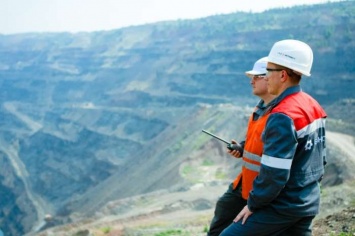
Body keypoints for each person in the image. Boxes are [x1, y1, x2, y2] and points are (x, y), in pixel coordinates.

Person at [220, 39, 327, 236]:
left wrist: (253, 205)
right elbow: (320, 159)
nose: (265, 77)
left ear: (283, 75)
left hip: (283, 205)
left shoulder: (282, 115)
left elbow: (274, 173)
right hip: (307, 199)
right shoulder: (312, 106)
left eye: (268, 71)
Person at [207, 57, 276, 236]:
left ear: (271, 78)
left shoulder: (278, 115)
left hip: (261, 188)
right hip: (245, 184)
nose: (251, 81)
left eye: (257, 77)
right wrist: (242, 148)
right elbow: (258, 143)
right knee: (224, 208)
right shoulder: (259, 109)